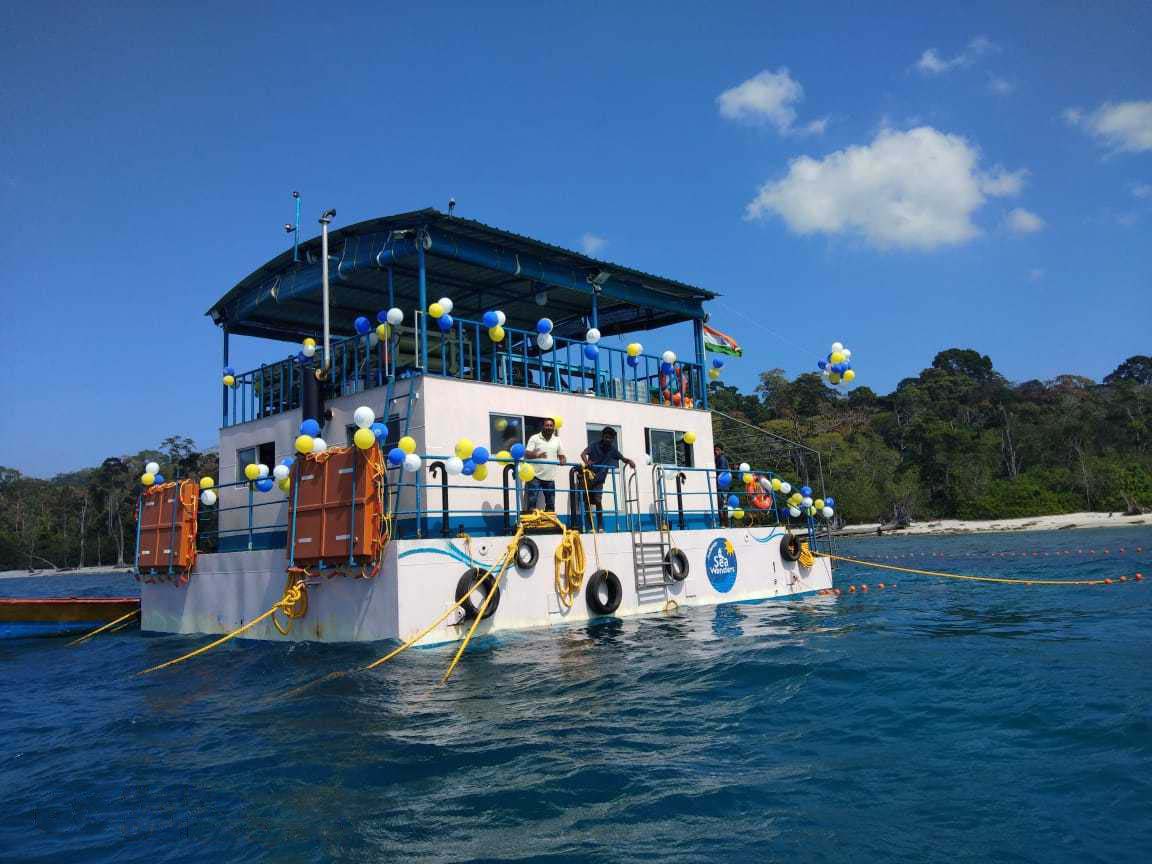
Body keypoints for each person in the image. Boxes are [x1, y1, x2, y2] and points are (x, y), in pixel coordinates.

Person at [580, 427, 635, 531]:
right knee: (587, 502)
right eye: (606, 437)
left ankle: (600, 526)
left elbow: (623, 459)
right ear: (603, 436)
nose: (608, 439)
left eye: (610, 438)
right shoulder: (594, 445)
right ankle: (590, 527)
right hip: (588, 478)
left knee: (597, 501)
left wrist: (630, 461)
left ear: (613, 439)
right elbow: (583, 454)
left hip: (599, 480)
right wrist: (587, 463)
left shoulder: (612, 450)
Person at [523, 418, 566, 512]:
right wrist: (537, 455)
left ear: (554, 427)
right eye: (547, 425)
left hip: (550, 477)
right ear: (543, 426)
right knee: (532, 502)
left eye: (551, 426)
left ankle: (550, 524)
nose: (549, 427)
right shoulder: (534, 438)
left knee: (550, 504)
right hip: (534, 476)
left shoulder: (557, 440)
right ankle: (531, 524)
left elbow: (562, 456)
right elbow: (526, 454)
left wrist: (563, 460)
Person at [714, 443, 731, 528]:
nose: (715, 451)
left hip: (722, 486)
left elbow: (722, 471)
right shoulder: (719, 458)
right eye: (715, 450)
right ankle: (724, 523)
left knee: (722, 505)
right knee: (722, 505)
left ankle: (724, 523)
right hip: (722, 486)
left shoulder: (722, 458)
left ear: (721, 450)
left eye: (717, 450)